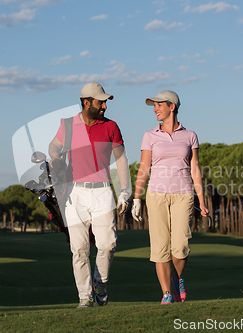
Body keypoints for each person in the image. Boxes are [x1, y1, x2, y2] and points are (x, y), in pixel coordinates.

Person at [48, 82, 130, 308]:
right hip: (74, 193)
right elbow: (54, 145)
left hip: (103, 191)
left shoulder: (111, 126)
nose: (104, 105)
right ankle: (85, 297)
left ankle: (100, 284)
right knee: (79, 249)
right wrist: (56, 157)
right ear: (86, 102)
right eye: (100, 101)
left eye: (105, 101)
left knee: (107, 245)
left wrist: (125, 190)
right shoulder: (68, 126)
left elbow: (121, 159)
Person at [131, 90, 208, 304]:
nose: (155, 109)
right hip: (156, 195)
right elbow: (144, 167)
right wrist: (137, 198)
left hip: (183, 195)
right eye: (153, 106)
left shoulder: (190, 135)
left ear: (171, 106)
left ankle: (178, 278)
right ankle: (166, 293)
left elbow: (195, 169)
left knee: (180, 247)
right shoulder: (150, 135)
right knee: (159, 247)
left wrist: (202, 201)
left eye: (158, 105)